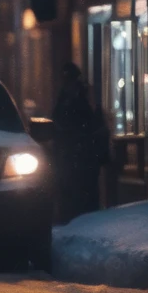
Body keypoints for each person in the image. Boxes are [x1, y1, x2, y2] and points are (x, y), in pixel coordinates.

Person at [51, 63, 106, 223]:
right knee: (73, 194)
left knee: (83, 194)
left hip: (82, 156)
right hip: (72, 156)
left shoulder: (83, 99)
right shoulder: (65, 99)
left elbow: (89, 125)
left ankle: (82, 219)